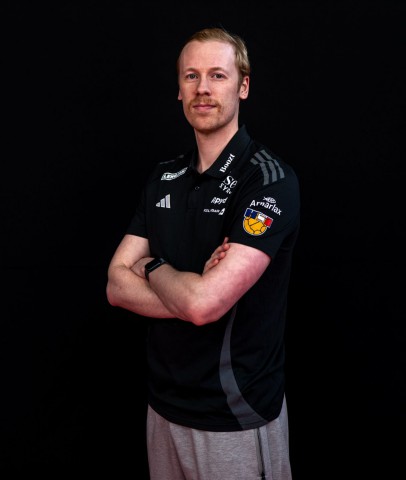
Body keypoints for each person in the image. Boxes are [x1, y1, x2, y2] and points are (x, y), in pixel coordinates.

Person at [106, 26, 300, 480]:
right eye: (191, 76)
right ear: (179, 89)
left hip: (233, 417)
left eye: (217, 75)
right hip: (163, 409)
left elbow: (203, 304)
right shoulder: (163, 177)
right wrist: (191, 291)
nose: (203, 88)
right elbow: (115, 285)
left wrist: (151, 266)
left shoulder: (268, 180)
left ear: (243, 86)